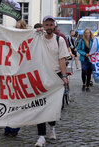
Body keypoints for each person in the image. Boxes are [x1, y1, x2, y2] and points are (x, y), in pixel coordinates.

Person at [34, 15, 69, 147]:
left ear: (54, 25)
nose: (48, 27)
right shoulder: (38, 38)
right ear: (43, 25)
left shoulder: (59, 40)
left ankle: (52, 126)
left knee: (55, 105)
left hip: (56, 75)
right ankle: (41, 136)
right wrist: (33, 33)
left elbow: (62, 59)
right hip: (41, 75)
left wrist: (64, 76)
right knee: (40, 106)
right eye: (46, 24)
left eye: (51, 24)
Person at [4, 20, 28, 137]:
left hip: (22, 76)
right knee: (9, 102)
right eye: (16, 27)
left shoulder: (28, 41)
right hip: (10, 75)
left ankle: (15, 128)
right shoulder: (11, 39)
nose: (17, 29)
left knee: (18, 104)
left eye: (19, 28)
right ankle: (8, 126)